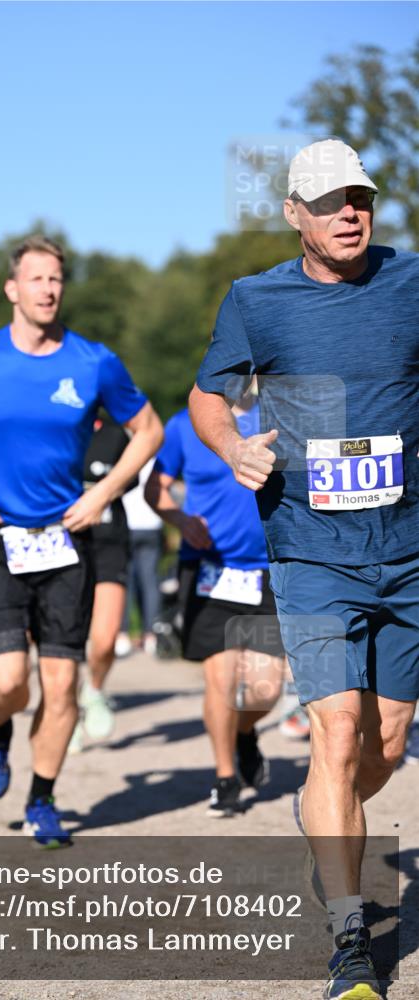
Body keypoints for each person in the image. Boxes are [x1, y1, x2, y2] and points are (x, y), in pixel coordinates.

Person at [190, 138, 418, 1000]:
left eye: (357, 196)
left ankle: (333, 821)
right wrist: (231, 446)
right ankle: (350, 939)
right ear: (294, 215)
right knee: (336, 731)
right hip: (310, 548)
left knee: (384, 743)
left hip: (408, 550)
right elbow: (208, 396)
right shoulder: (255, 300)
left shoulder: (411, 280)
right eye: (327, 202)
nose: (347, 213)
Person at [0, 235, 163, 847]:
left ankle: (43, 799)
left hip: (64, 539)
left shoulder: (92, 361)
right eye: (36, 279)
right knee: (7, 680)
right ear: (12, 288)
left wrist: (102, 496)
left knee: (61, 687)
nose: (49, 289)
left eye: (56, 279)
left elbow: (149, 428)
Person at [145, 389, 284, 817]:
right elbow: (156, 489)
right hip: (208, 571)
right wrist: (180, 520)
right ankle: (225, 778)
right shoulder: (184, 425)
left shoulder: (280, 416)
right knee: (220, 682)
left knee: (265, 689)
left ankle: (243, 735)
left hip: (264, 570)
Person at [70, 415, 134, 751]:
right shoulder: (55, 425)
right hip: (63, 545)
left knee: (105, 638)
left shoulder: (114, 434)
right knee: (65, 640)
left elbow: (130, 477)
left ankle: (93, 690)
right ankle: (65, 713)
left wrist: (101, 492)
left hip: (109, 544)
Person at [117, 458, 163, 656]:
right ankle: (151, 634)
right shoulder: (156, 458)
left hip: (127, 524)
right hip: (152, 524)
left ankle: (123, 635)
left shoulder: (124, 454)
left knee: (125, 583)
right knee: (150, 582)